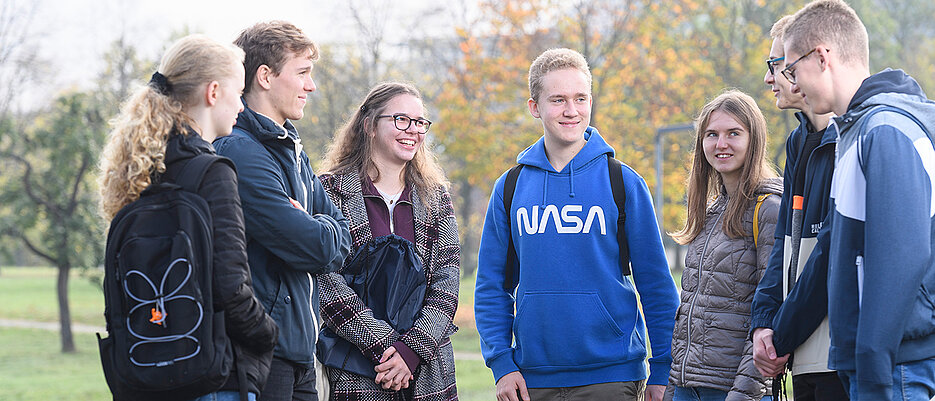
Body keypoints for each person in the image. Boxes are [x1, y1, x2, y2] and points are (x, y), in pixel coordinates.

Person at [474, 48, 680, 401]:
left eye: (580, 98)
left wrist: (663, 368)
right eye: (558, 100)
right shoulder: (509, 187)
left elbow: (657, 286)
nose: (571, 111)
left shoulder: (624, 183)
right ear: (534, 107)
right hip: (531, 380)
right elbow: (492, 286)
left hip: (612, 376)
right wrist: (502, 364)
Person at [98, 34, 279, 401]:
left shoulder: (138, 167)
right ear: (214, 92)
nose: (241, 107)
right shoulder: (211, 172)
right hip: (212, 376)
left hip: (144, 371)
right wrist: (269, 333)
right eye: (238, 92)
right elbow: (231, 287)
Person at [781, 0, 935, 399]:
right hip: (871, 365)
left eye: (793, 69)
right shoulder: (856, 131)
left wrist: (871, 361)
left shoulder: (884, 131)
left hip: (893, 369)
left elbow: (905, 254)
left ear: (821, 57)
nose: (792, 84)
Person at [213, 21, 351, 401]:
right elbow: (316, 247)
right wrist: (317, 227)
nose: (312, 85)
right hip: (264, 355)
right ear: (265, 77)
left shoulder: (291, 149)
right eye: (303, 73)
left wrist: (316, 224)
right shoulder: (241, 152)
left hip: (301, 353)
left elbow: (343, 238)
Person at [316, 82, 460, 400]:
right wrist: (387, 348)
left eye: (420, 122)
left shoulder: (435, 198)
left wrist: (411, 351)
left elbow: (447, 285)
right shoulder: (329, 191)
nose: (413, 130)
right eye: (401, 119)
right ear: (369, 125)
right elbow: (327, 284)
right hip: (357, 370)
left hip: (429, 372)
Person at [751, 15, 848, 400]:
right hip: (800, 356)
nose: (770, 77)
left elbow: (828, 257)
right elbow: (784, 247)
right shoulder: (798, 142)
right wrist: (763, 324)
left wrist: (782, 334)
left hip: (836, 360)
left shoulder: (851, 140)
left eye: (777, 64)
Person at [664, 89, 781, 401]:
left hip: (733, 390)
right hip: (689, 387)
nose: (721, 144)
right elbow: (690, 309)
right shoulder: (712, 211)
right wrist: (675, 384)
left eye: (733, 133)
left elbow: (771, 313)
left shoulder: (768, 209)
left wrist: (744, 392)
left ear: (753, 139)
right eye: (711, 134)